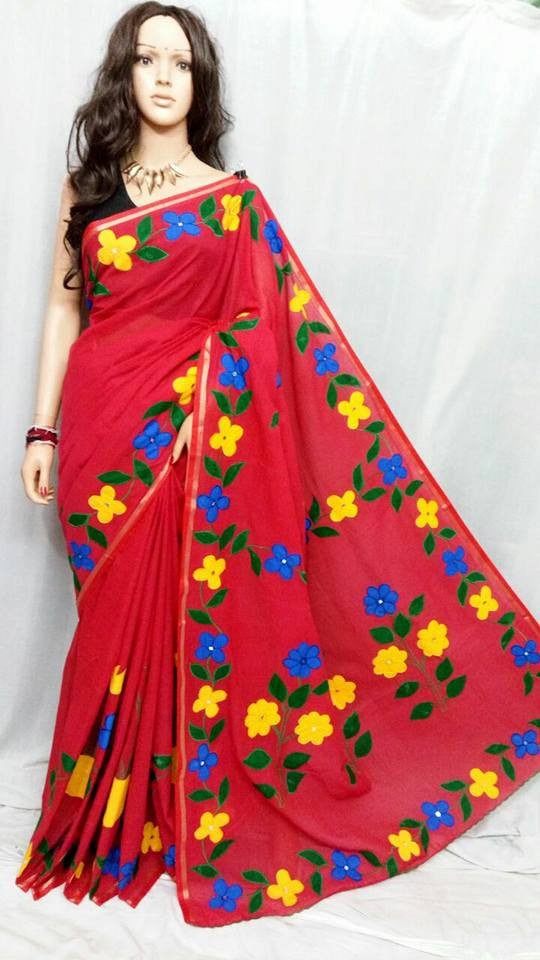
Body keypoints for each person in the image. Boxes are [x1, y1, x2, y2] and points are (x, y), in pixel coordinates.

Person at [16, 1, 540, 929]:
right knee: (108, 623)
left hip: (189, 440)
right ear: (125, 74)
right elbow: (66, 310)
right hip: (101, 434)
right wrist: (42, 430)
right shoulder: (87, 186)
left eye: (181, 62)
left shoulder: (232, 203)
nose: (164, 76)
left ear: (201, 80)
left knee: (182, 618)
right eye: (147, 59)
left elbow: (260, 333)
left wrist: (201, 405)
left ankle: (166, 814)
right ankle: (109, 810)